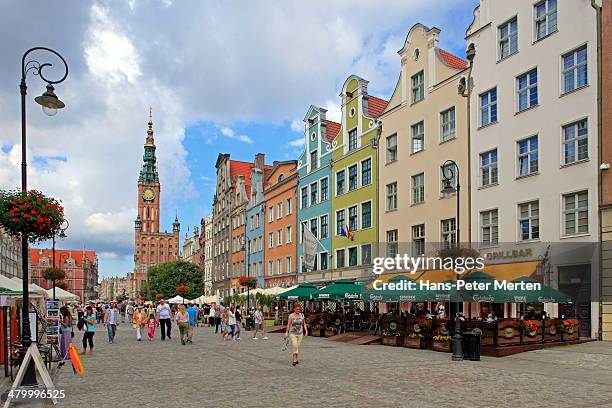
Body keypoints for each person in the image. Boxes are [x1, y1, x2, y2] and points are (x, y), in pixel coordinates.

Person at [284, 302, 308, 366]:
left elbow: (304, 324)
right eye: (297, 309)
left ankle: (296, 359)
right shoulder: (291, 316)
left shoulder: (302, 315)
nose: (298, 310)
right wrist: (286, 333)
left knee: (297, 346)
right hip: (292, 333)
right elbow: (288, 325)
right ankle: (294, 359)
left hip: (300, 333)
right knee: (295, 345)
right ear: (294, 309)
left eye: (299, 309)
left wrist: (306, 331)